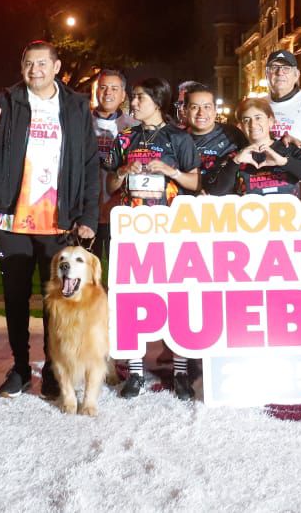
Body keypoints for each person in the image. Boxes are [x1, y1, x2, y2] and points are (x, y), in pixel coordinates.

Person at [0, 41, 99, 399]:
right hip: (12, 217)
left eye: (42, 63)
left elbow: (89, 162)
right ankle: (20, 367)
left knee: (56, 299)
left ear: (56, 67)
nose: (35, 70)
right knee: (15, 296)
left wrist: (88, 214)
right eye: (28, 63)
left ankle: (54, 369)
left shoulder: (75, 106)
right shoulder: (6, 101)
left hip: (58, 220)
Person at [105, 77, 199, 399]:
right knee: (132, 298)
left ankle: (181, 371)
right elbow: (110, 184)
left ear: (157, 101)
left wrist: (171, 172)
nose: (132, 103)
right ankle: (135, 371)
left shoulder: (179, 137)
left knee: (176, 298)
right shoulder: (125, 137)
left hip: (169, 230)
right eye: (133, 97)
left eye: (139, 98)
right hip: (131, 231)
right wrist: (122, 172)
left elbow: (195, 182)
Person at [205, 96, 301, 198]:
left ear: (271, 121)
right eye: (246, 120)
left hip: (288, 215)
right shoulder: (236, 155)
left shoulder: (288, 147)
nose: (253, 124)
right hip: (249, 215)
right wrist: (235, 162)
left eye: (258, 118)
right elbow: (216, 191)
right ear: (241, 126)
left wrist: (284, 162)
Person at [91, 68, 135, 260]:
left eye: (114, 88)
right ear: (96, 91)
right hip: (87, 211)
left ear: (123, 95)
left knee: (120, 269)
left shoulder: (133, 127)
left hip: (121, 211)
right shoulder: (81, 122)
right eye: (103, 87)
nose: (108, 92)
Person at [182, 83, 245, 186]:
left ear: (215, 110)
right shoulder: (176, 139)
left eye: (207, 107)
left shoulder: (233, 134)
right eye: (194, 107)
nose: (201, 113)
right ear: (185, 111)